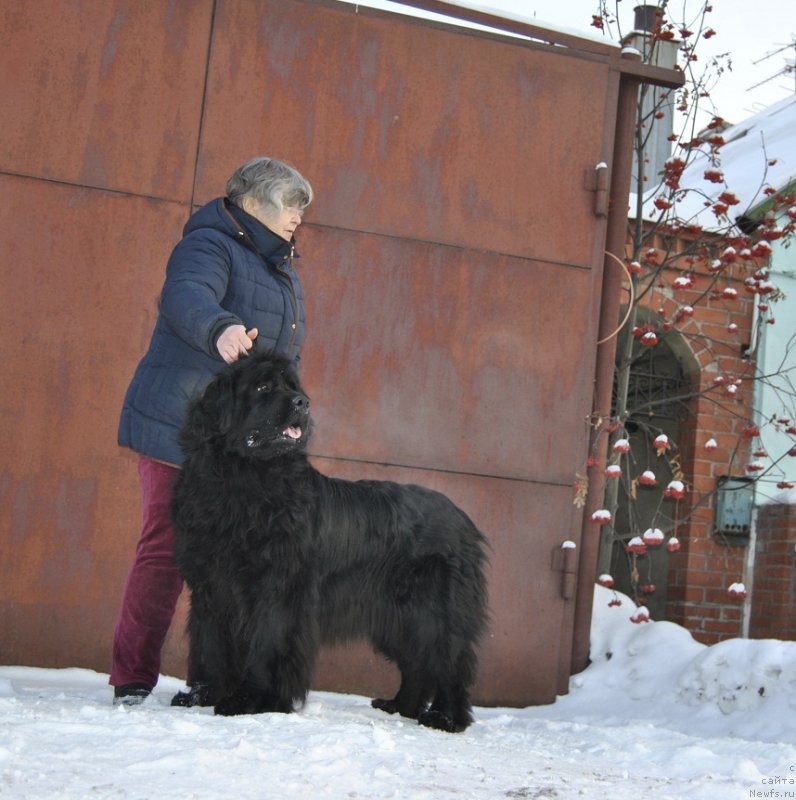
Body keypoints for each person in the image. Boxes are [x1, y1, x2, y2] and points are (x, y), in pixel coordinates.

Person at [111, 157, 313, 706]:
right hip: (181, 426)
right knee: (168, 547)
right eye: (290, 203)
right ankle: (132, 678)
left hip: (235, 443)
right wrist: (218, 328)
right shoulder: (210, 245)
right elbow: (186, 296)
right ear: (251, 203)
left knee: (229, 558)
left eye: (302, 207)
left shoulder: (278, 267)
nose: (299, 215)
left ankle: (211, 678)